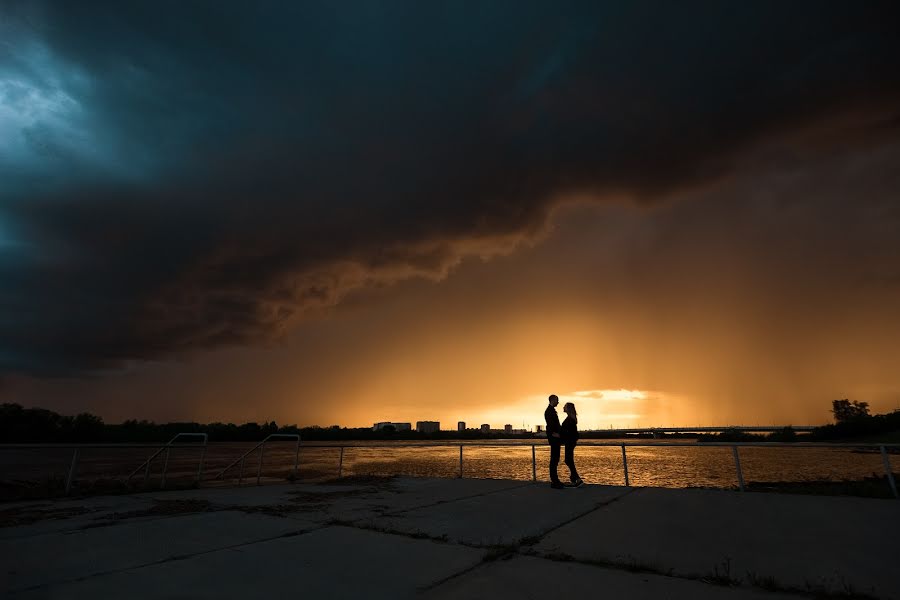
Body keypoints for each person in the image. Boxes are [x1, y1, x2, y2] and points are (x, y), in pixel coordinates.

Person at [561, 402, 584, 487]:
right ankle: (574, 478)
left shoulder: (570, 419)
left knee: (568, 460)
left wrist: (560, 435)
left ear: (568, 408)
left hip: (569, 441)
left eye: (565, 406)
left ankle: (577, 479)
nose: (563, 407)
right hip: (570, 441)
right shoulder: (571, 418)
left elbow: (570, 432)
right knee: (568, 460)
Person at [544, 394, 564, 489]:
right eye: (557, 400)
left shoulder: (550, 410)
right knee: (554, 459)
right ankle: (555, 481)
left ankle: (555, 480)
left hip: (555, 438)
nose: (558, 402)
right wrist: (554, 433)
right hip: (554, 438)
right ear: (552, 400)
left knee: (555, 459)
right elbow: (551, 425)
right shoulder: (549, 411)